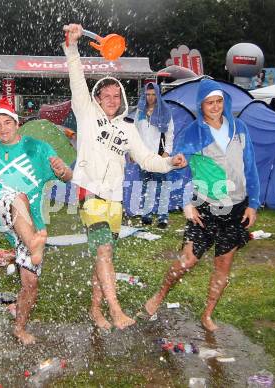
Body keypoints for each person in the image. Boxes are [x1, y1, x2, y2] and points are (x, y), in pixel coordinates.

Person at [63, 23, 187, 330]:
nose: (110, 98)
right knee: (104, 251)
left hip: (115, 200)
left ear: (121, 99)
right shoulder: (86, 114)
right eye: (105, 94)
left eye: (115, 95)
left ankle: (96, 309)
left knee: (103, 257)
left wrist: (170, 161)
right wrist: (72, 46)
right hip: (89, 193)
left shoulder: (129, 128)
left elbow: (146, 159)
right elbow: (76, 78)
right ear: (96, 97)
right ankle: (115, 310)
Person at [144, 79, 260, 332]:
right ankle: (160, 294)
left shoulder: (239, 128)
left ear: (225, 103)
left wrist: (254, 203)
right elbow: (177, 166)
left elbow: (250, 167)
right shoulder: (194, 133)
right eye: (210, 102)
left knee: (223, 266)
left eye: (219, 101)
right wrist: (186, 202)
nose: (215, 107)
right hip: (205, 208)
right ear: (201, 105)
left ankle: (207, 314)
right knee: (186, 261)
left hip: (237, 209)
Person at [0, 97, 72, 345]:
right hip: (1, 209)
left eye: (7, 122)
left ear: (17, 122)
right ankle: (34, 242)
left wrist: (62, 170)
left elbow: (66, 176)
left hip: (31, 223)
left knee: (30, 282)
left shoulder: (38, 148)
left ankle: (19, 328)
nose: (3, 128)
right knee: (16, 194)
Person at [135, 82, 175, 228]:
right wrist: (134, 152)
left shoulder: (165, 112)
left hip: (160, 156)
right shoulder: (140, 112)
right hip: (143, 156)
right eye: (147, 94)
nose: (150, 98)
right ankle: (146, 215)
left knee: (163, 187)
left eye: (153, 94)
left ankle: (163, 217)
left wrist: (167, 152)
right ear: (144, 95)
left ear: (158, 95)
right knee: (147, 186)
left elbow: (170, 134)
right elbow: (135, 133)